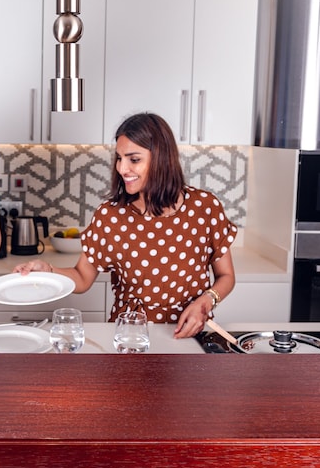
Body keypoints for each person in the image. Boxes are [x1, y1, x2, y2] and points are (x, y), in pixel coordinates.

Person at [14, 112, 237, 339]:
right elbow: (81, 277)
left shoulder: (204, 207)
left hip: (189, 335)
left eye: (134, 159)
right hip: (129, 337)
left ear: (162, 158)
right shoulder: (110, 216)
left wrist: (206, 301)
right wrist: (49, 271)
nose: (122, 168)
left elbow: (226, 276)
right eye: (119, 158)